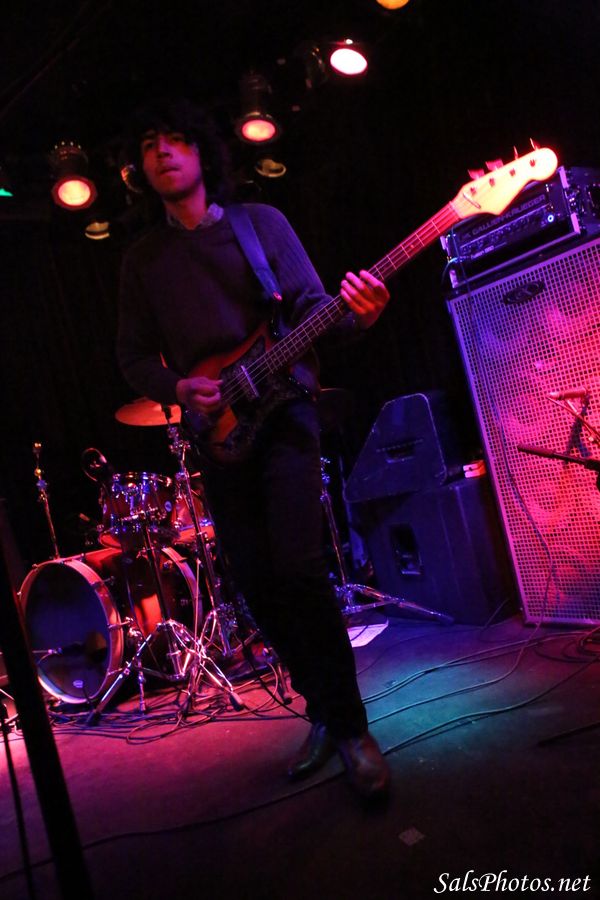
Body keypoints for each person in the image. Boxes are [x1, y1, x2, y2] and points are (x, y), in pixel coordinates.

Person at [117, 98, 392, 799]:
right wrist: (180, 387)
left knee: (299, 568)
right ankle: (322, 709)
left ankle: (353, 730)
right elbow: (132, 358)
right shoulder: (143, 262)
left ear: (202, 152)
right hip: (220, 435)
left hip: (287, 414)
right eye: (149, 143)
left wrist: (358, 317)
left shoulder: (259, 224)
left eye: (175, 139)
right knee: (257, 583)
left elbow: (314, 314)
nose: (162, 152)